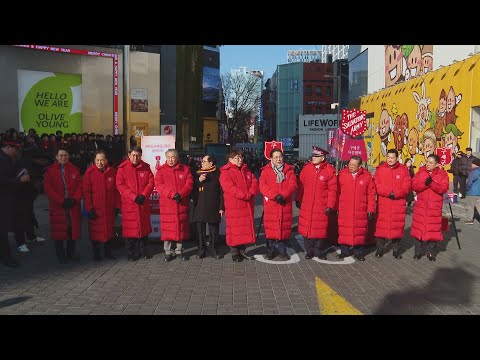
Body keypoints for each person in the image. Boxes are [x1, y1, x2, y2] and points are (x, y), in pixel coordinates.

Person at [295, 146, 337, 260]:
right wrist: (298, 199)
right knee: (306, 229)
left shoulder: (329, 171)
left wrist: (330, 205)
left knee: (320, 229)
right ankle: (308, 251)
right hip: (307, 205)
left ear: (322, 158)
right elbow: (301, 186)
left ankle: (318, 250)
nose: (313, 157)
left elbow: (333, 190)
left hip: (321, 205)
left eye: (316, 156)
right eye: (313, 155)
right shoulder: (306, 169)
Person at [44, 148, 83, 264]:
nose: (63, 158)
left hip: (72, 206)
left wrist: (75, 199)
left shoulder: (74, 170)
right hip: (58, 207)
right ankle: (60, 255)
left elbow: (80, 186)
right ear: (56, 157)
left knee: (72, 230)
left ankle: (70, 253)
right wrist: (61, 201)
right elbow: (48, 190)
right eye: (61, 155)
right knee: (59, 231)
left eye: (65, 155)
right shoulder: (49, 171)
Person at [219, 150, 259, 262]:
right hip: (234, 205)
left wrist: (251, 193)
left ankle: (243, 251)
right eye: (237, 158)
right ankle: (234, 252)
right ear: (230, 159)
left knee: (244, 229)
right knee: (234, 229)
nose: (240, 159)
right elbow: (229, 188)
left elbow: (255, 182)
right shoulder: (226, 171)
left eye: (241, 157)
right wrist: (245, 195)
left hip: (246, 205)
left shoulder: (246, 170)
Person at [116, 146, 154, 261]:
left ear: (141, 156)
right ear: (129, 155)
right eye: (133, 155)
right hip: (130, 204)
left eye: (138, 155)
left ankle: (144, 251)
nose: (135, 157)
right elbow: (120, 185)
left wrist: (143, 195)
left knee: (144, 229)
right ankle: (131, 252)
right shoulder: (122, 168)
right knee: (130, 230)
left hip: (142, 203)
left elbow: (151, 182)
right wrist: (133, 197)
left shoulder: (146, 167)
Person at [155, 149, 193, 262]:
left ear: (177, 158)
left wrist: (181, 194)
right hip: (168, 204)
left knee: (180, 228)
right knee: (167, 228)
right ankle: (168, 251)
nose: (171, 159)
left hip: (181, 204)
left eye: (173, 157)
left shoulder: (185, 169)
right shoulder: (161, 170)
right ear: (166, 158)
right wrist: (172, 194)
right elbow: (158, 185)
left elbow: (189, 184)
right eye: (169, 157)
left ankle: (179, 251)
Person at [259, 148, 297, 261]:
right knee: (271, 229)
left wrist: (283, 195)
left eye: (280, 156)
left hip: (285, 204)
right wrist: (275, 196)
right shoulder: (265, 171)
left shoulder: (289, 170)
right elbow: (263, 186)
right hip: (272, 204)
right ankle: (270, 251)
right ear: (271, 158)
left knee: (284, 229)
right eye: (275, 157)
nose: (278, 159)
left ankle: (282, 251)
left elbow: (293, 185)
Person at [373, 149, 412, 259]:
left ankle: (396, 250)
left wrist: (396, 194)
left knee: (397, 228)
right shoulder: (380, 169)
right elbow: (376, 183)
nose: (390, 159)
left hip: (398, 204)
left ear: (397, 158)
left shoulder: (403, 169)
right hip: (383, 203)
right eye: (388, 157)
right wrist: (387, 193)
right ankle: (380, 250)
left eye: (392, 157)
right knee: (381, 228)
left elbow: (407, 185)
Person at [83, 151, 121, 261]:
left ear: (106, 160)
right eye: (98, 160)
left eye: (102, 160)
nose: (100, 162)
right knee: (95, 232)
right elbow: (86, 192)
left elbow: (116, 191)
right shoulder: (89, 173)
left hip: (109, 208)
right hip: (96, 209)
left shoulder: (112, 172)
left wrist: (117, 206)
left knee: (109, 231)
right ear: (94, 161)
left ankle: (108, 253)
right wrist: (89, 208)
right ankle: (97, 254)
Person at [411, 154, 449, 261]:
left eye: (431, 162)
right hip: (421, 208)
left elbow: (443, 188)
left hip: (434, 208)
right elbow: (414, 185)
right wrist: (425, 184)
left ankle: (431, 253)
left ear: (436, 164)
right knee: (419, 231)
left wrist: (432, 183)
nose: (428, 164)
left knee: (433, 231)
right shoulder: (420, 172)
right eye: (427, 161)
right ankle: (418, 252)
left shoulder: (442, 174)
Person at [337, 156, 376, 261]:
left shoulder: (367, 177)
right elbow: (336, 192)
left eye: (354, 165)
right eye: (350, 164)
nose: (351, 167)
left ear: (359, 166)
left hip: (361, 209)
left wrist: (371, 209)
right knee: (344, 230)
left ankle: (359, 253)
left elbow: (371, 194)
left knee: (360, 231)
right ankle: (344, 251)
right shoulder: (341, 175)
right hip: (345, 209)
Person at [0, 141, 30, 267]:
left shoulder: (6, 158)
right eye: (15, 150)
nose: (17, 153)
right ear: (8, 147)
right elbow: (3, 180)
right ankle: (6, 257)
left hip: (6, 198)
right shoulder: (2, 159)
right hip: (3, 199)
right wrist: (20, 179)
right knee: (2, 230)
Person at [192, 155, 224, 259]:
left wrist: (222, 207)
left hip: (213, 206)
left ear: (211, 163)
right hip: (200, 205)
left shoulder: (218, 173)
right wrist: (199, 181)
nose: (202, 163)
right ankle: (201, 250)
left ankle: (213, 249)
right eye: (202, 161)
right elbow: (191, 188)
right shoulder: (197, 173)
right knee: (200, 229)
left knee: (213, 229)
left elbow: (222, 192)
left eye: (204, 161)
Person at [464, 158, 480, 224]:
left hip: (472, 192)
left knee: (470, 206)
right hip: (478, 192)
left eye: (472, 163)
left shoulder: (474, 171)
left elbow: (469, 182)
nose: (471, 164)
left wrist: (466, 188)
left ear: (475, 164)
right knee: (479, 206)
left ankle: (469, 220)